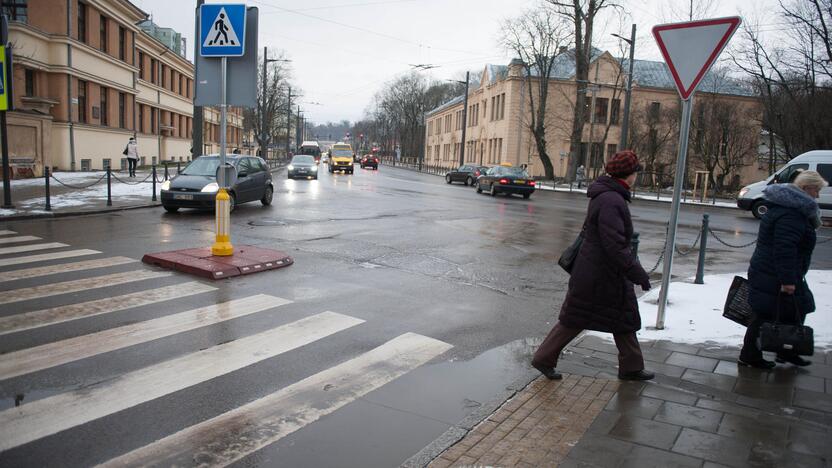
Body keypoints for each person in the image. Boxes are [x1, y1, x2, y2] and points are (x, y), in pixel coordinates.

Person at [532, 151, 654, 381]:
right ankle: (543, 359)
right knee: (575, 319)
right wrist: (638, 273)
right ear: (628, 174)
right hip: (599, 275)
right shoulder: (611, 199)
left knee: (623, 319)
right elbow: (614, 245)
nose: (637, 176)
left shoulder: (609, 195)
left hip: (600, 272)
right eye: (636, 172)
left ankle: (632, 367)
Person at [739, 170, 828, 368]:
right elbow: (784, 249)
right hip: (774, 273)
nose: (818, 195)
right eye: (817, 190)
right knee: (765, 314)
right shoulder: (792, 214)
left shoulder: (789, 208)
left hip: (773, 270)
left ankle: (786, 350)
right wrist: (787, 280)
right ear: (806, 189)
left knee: (789, 311)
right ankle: (751, 355)